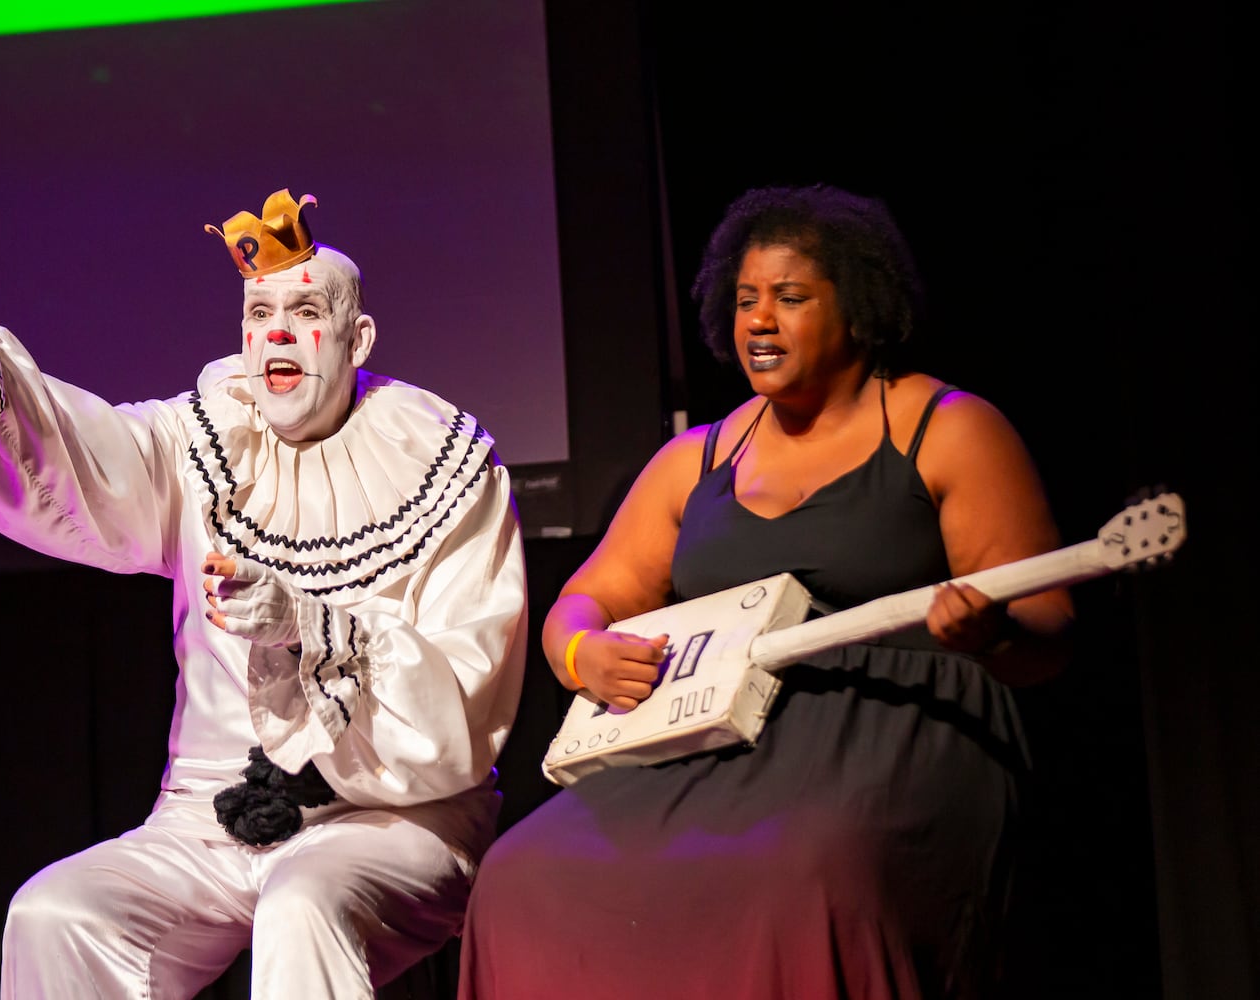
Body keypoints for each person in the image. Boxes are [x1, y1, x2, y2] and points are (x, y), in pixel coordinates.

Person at [0, 188, 529, 999]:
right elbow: (76, 461)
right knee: (56, 914)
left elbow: (464, 707)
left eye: (305, 310)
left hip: (396, 818)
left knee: (304, 902)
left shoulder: (443, 464)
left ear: (357, 339)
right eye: (258, 313)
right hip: (210, 817)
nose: (277, 332)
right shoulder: (207, 438)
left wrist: (307, 623)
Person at [456, 183, 1074, 999]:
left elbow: (1048, 627)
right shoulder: (697, 459)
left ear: (855, 308)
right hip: (717, 734)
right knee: (521, 873)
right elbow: (583, 601)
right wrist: (581, 652)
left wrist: (989, 633)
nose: (758, 320)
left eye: (789, 298)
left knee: (800, 876)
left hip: (889, 730)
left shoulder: (947, 428)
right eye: (746, 300)